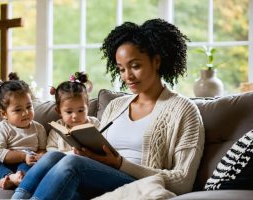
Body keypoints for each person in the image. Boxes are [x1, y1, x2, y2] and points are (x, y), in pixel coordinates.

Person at [11, 18, 204, 199]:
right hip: (98, 177)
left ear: (156, 61)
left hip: (139, 184)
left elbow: (183, 182)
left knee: (72, 164)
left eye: (135, 66)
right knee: (54, 155)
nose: (127, 76)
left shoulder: (183, 110)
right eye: (121, 69)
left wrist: (120, 163)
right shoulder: (117, 106)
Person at [0, 72, 47, 190]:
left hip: (23, 164)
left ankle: (13, 180)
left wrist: (39, 156)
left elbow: (42, 149)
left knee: (30, 170)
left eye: (29, 107)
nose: (25, 113)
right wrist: (23, 155)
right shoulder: (2, 129)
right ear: (4, 113)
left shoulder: (39, 128)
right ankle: (9, 178)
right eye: (18, 110)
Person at [46, 71, 100, 152]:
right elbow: (50, 148)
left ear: (88, 107)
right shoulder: (58, 127)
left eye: (80, 110)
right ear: (59, 111)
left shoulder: (94, 123)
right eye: (69, 112)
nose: (75, 116)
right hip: (62, 161)